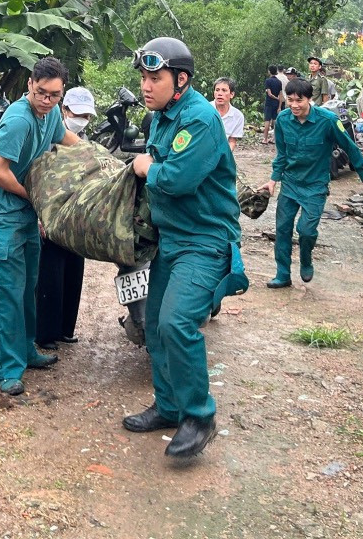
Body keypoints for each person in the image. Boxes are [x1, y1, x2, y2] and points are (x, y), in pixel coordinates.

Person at [122, 37, 240, 461]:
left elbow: (175, 179)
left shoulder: (201, 120)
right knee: (154, 326)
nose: (146, 86)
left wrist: (145, 165)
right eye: (144, 77)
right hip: (171, 239)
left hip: (204, 241)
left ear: (181, 79)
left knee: (176, 323)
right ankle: (169, 406)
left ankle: (200, 417)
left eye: (155, 78)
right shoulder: (161, 116)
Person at [0, 57, 81, 396]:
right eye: (41, 93)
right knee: (9, 292)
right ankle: (8, 369)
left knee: (28, 287)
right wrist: (33, 197)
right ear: (29, 86)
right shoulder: (18, 121)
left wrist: (98, 158)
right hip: (2, 216)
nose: (47, 101)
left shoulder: (49, 114)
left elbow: (66, 138)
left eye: (54, 95)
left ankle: (26, 349)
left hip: (25, 214)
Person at [262, 78, 363, 289]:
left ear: (309, 99)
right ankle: (282, 274)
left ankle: (306, 258)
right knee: (283, 229)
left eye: (299, 100)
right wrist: (273, 181)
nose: (294, 105)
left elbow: (350, 148)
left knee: (305, 230)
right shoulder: (284, 120)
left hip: (315, 186)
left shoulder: (328, 120)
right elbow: (282, 154)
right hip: (290, 183)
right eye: (290, 100)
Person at [35, 87, 94, 349]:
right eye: (77, 113)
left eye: (87, 116)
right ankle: (46, 333)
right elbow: (38, 177)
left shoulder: (84, 138)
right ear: (65, 110)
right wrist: (40, 216)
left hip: (75, 216)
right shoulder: (50, 135)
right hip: (51, 214)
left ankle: (65, 328)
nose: (82, 119)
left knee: (74, 270)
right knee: (51, 272)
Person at [212, 77, 245, 151]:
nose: (220, 94)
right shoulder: (205, 109)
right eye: (217, 90)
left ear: (232, 94)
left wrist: (226, 157)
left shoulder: (238, 116)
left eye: (224, 90)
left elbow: (232, 141)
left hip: (222, 153)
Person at [262, 66, 283, 145]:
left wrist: (276, 98)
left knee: (267, 121)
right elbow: (281, 95)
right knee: (275, 121)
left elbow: (270, 94)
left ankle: (265, 139)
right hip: (276, 105)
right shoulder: (279, 82)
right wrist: (279, 106)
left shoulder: (268, 81)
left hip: (269, 103)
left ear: (269, 71)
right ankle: (274, 139)